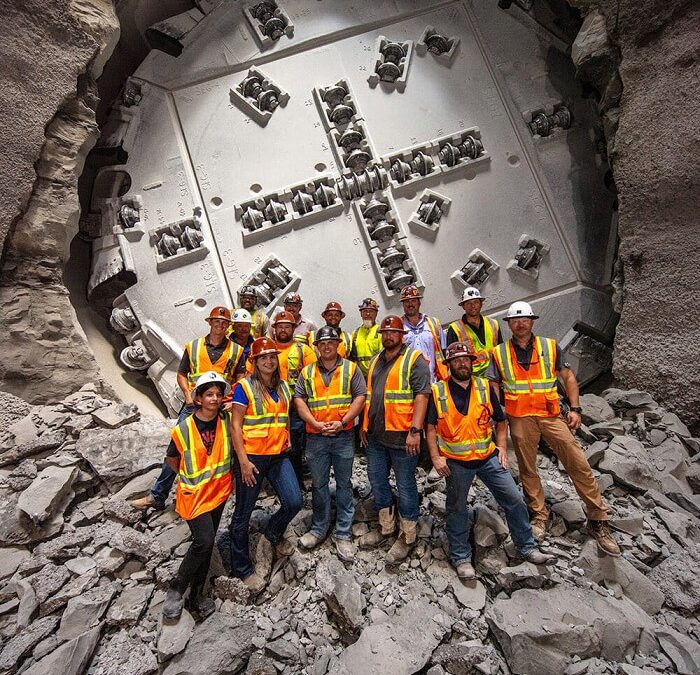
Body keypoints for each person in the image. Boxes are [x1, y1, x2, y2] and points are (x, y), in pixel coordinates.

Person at [487, 301, 620, 556]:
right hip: (520, 418)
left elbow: (568, 377)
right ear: (509, 325)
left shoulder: (549, 346)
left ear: (532, 321)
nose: (520, 323)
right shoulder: (499, 352)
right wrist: (498, 411)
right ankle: (539, 516)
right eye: (515, 320)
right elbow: (494, 384)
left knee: (577, 462)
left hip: (550, 415)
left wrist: (575, 408)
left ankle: (598, 519)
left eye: (524, 319)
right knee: (527, 469)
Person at [426, 342, 554, 579]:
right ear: (449, 365)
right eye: (457, 360)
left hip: (487, 458)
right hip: (457, 461)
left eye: (466, 359)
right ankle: (461, 557)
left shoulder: (484, 387)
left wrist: (502, 447)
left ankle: (526, 546)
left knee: (514, 499)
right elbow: (431, 427)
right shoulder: (438, 391)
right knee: (456, 508)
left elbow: (501, 420)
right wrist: (436, 457)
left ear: (472, 362)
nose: (462, 363)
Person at [131, 306, 244, 510]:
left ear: (229, 326)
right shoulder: (194, 347)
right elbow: (182, 373)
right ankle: (158, 495)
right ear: (209, 322)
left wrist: (232, 401)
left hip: (221, 408)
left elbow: (241, 378)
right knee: (178, 447)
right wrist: (187, 396)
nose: (220, 325)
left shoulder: (236, 351)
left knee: (222, 450)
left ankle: (216, 493)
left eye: (224, 323)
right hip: (193, 406)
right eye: (217, 321)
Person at [229, 337, 303, 593]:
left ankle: (271, 534)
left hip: (277, 455)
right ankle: (242, 568)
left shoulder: (283, 386)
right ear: (255, 362)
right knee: (242, 513)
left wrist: (287, 438)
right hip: (252, 458)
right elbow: (236, 425)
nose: (269, 361)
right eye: (263, 358)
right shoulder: (244, 387)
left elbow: (282, 416)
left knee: (294, 502)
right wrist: (243, 461)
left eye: (272, 357)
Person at [359, 315, 431, 563]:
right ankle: (386, 528)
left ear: (402, 335)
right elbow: (370, 396)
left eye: (393, 332)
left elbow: (422, 396)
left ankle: (408, 536)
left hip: (403, 438)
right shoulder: (377, 360)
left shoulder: (415, 360)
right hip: (377, 437)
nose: (388, 336)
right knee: (377, 481)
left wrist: (415, 431)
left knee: (406, 486)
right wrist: (364, 426)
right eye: (385, 332)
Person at [162, 372, 233, 621]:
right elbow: (172, 459)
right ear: (199, 398)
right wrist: (186, 475)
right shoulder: (183, 429)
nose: (214, 399)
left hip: (218, 492)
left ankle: (196, 598)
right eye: (209, 395)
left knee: (206, 543)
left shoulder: (226, 419)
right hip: (194, 496)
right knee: (203, 541)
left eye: (218, 394)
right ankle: (177, 588)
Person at [294, 326, 367, 561]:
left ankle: (343, 533)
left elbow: (360, 397)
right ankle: (318, 529)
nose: (326, 346)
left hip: (343, 435)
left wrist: (343, 421)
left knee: (344, 484)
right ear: (317, 347)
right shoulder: (306, 372)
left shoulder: (351, 369)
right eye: (322, 343)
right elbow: (299, 400)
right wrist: (314, 423)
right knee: (319, 484)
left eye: (331, 342)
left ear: (338, 344)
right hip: (316, 437)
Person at [270, 311, 317, 485]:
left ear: (293, 328)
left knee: (295, 446)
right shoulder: (268, 350)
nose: (283, 330)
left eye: (287, 326)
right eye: (280, 326)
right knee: (274, 444)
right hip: (272, 407)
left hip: (295, 407)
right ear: (274, 329)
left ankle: (296, 481)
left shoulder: (303, 350)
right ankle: (277, 481)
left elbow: (313, 376)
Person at [445, 287, 502, 378]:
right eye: (468, 303)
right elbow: (452, 361)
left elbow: (501, 352)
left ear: (481, 303)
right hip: (471, 379)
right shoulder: (455, 329)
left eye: (476, 302)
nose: (473, 306)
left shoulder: (493, 324)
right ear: (463, 306)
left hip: (495, 376)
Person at [400, 285, 447, 382]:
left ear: (419, 303)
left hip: (435, 381)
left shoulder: (434, 323)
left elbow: (444, 352)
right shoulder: (398, 327)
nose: (410, 304)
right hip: (410, 382)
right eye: (406, 301)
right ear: (403, 305)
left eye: (413, 300)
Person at [349, 297, 382, 378]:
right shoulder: (355, 334)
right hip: (361, 378)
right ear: (361, 314)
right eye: (365, 311)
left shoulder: (381, 331)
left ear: (376, 313)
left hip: (378, 375)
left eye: (371, 311)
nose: (368, 314)